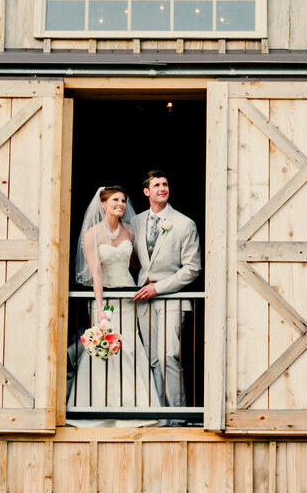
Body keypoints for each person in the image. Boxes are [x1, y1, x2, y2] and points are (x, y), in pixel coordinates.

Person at [67, 185, 158, 426]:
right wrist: (99, 309)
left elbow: (137, 264)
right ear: (103, 204)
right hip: (105, 299)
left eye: (124, 200)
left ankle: (134, 406)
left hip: (129, 297)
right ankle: (98, 405)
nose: (121, 204)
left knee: (130, 348)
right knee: (104, 347)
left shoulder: (129, 231)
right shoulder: (92, 235)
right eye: (116, 200)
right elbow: (96, 273)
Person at [132, 170, 201, 414]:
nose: (163, 188)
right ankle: (159, 414)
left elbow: (193, 268)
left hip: (171, 298)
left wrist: (158, 288)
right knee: (152, 359)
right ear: (146, 192)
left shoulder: (184, 223)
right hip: (142, 301)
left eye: (165, 184)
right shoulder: (136, 221)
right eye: (157, 185)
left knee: (168, 355)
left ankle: (177, 415)